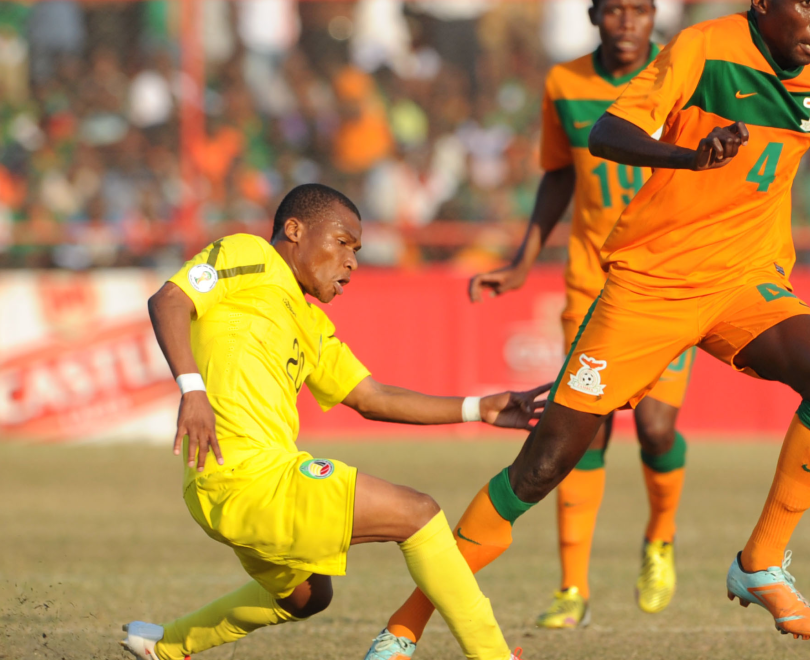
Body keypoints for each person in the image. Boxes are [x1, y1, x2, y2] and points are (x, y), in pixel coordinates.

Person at [374, 0, 810, 651]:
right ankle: (403, 629)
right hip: (651, 286)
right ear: (762, 1)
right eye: (806, 3)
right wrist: (688, 155)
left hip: (744, 280)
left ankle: (759, 563)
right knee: (542, 466)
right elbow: (607, 132)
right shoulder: (703, 49)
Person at [119, 184, 544, 660]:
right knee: (418, 513)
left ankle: (165, 646)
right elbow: (169, 300)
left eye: (357, 251)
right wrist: (192, 390)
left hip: (240, 486)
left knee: (306, 597)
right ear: (295, 230)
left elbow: (372, 397)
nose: (352, 262)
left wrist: (478, 408)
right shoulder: (250, 255)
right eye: (343, 243)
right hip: (245, 477)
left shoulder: (313, 326)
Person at [467, 0, 693, 629]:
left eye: (640, 10)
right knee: (580, 432)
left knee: (656, 427)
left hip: (668, 281)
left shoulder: (681, 75)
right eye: (614, 10)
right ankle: (572, 587)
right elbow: (558, 176)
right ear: (593, 16)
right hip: (592, 283)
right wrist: (522, 261)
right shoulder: (565, 84)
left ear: (655, 16)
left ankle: (660, 539)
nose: (627, 22)